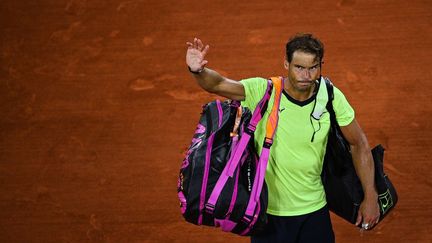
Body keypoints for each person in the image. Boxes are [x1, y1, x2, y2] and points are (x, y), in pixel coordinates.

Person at [185, 34, 380, 243]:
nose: (306, 75)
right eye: (299, 67)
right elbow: (219, 84)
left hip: (314, 211)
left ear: (321, 65)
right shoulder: (264, 90)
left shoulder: (330, 96)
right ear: (286, 63)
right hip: (268, 214)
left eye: (313, 67)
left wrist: (371, 196)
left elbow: (358, 143)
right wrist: (198, 70)